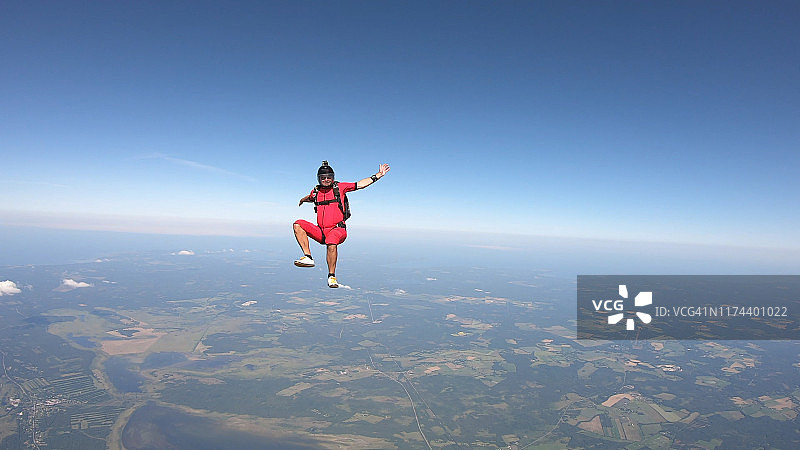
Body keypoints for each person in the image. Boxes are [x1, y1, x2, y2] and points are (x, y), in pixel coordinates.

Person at [293, 161, 390, 288]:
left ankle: (331, 276)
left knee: (331, 242)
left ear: (333, 178)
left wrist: (378, 175)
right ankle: (308, 257)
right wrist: (302, 200)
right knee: (298, 224)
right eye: (323, 178)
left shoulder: (340, 187)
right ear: (319, 179)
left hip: (337, 229)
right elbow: (310, 197)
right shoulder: (316, 192)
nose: (327, 180)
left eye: (329, 177)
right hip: (321, 232)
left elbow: (360, 184)